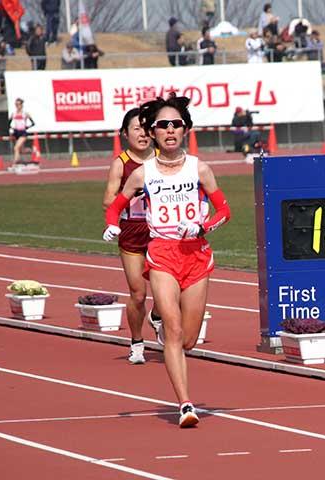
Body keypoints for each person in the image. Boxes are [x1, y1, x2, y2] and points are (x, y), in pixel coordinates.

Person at [103, 95, 231, 428]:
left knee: (187, 339)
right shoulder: (142, 174)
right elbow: (115, 206)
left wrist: (202, 226)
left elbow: (225, 212)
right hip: (161, 253)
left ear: (185, 129)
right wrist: (113, 224)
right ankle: (186, 405)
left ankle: (166, 329)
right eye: (162, 125)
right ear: (154, 132)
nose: (169, 129)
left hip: (196, 255)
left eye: (176, 124)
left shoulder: (199, 168)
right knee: (173, 332)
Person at [102, 108, 163, 365]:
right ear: (125, 134)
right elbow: (108, 200)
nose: (142, 133)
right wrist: (132, 196)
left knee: (169, 289)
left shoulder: (164, 158)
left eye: (146, 128)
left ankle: (158, 316)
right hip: (132, 232)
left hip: (161, 231)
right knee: (138, 294)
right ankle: (137, 342)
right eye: (136, 128)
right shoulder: (121, 163)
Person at [8, 98, 35, 164]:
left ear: (22, 105)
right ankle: (33, 151)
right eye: (16, 104)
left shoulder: (25, 114)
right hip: (16, 132)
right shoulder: (13, 114)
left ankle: (15, 162)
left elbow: (33, 123)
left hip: (23, 133)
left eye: (19, 104)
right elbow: (8, 123)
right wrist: (12, 128)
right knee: (22, 150)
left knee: (16, 148)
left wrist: (27, 127)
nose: (17, 106)